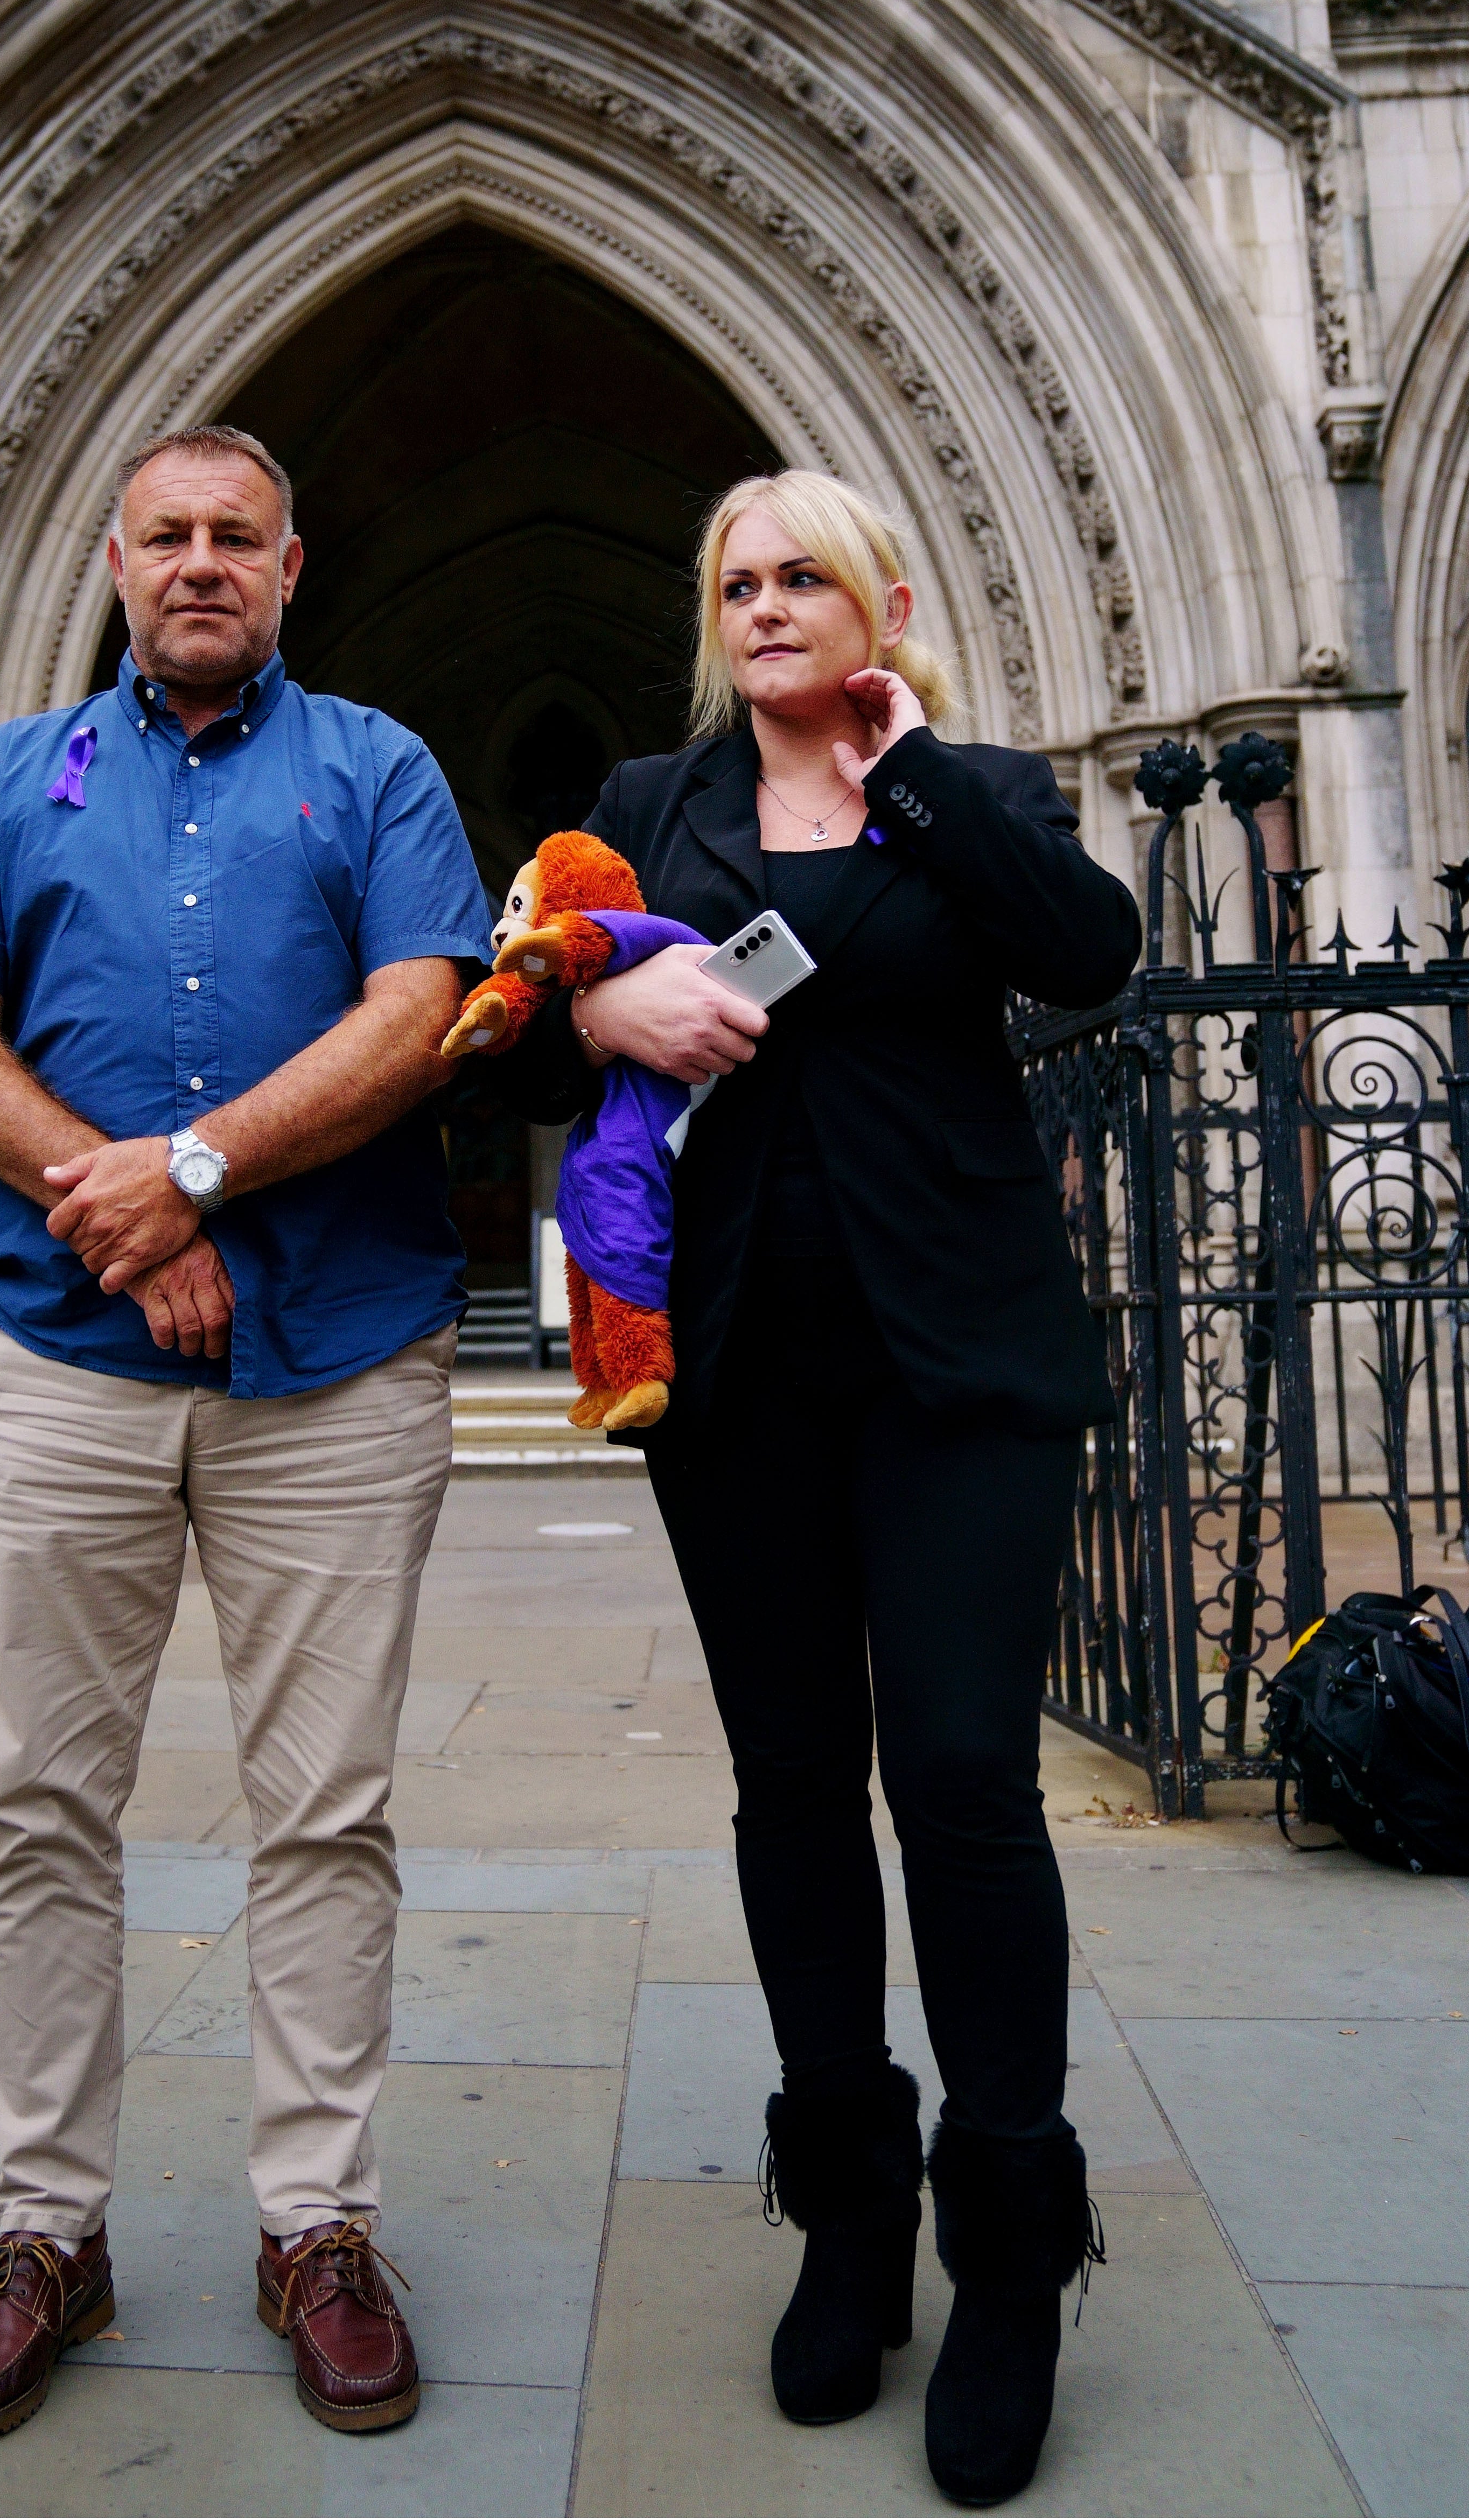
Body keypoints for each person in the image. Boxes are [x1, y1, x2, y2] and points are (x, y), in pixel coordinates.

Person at [489, 471, 1140, 2509]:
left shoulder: (976, 786)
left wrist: (914, 767)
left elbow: (1087, 956)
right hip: (743, 1367)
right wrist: (600, 999)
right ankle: (849, 2213)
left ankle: (1008, 2253)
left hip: (962, 1366)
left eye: (803, 577)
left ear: (882, 600)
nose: (767, 606)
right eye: (738, 582)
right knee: (793, 1784)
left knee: (959, 1780)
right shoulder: (653, 797)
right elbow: (508, 1028)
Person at [0, 423, 492, 2447]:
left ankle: (316, 2223)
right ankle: (47, 2227)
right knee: (40, 1799)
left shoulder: (378, 766)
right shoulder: (4, 774)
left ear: (291, 565)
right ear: (112, 557)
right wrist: (112, 1208)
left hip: (339, 1365)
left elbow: (425, 1010)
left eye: (238, 536)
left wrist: (197, 1169)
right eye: (169, 536)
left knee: (327, 1807)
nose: (202, 563)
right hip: (64, 1358)